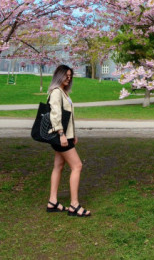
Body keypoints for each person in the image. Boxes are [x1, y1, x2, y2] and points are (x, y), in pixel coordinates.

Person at [45, 65, 91, 217]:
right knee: (77, 166)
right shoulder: (56, 92)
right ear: (59, 76)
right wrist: (62, 134)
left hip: (66, 135)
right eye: (66, 75)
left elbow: (68, 117)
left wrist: (73, 134)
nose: (69, 78)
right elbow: (55, 115)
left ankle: (52, 202)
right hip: (60, 136)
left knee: (58, 166)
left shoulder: (63, 92)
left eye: (70, 76)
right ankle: (74, 205)